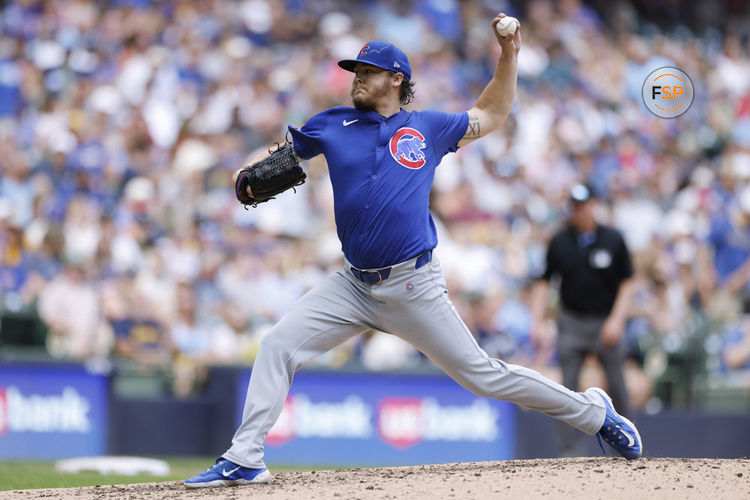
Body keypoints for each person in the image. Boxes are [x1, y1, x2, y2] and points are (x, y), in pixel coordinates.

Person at [185, 14, 642, 488]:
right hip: (353, 284)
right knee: (278, 344)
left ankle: (595, 413)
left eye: (367, 71)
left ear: (396, 78)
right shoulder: (333, 123)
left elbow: (494, 112)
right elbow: (278, 157)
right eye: (355, 71)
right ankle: (245, 456)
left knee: (483, 376)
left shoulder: (429, 128)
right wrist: (247, 173)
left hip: (412, 283)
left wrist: (509, 56)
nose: (357, 78)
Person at [530, 183, 636, 455]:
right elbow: (544, 282)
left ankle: (625, 445)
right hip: (572, 321)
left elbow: (627, 283)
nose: (577, 211)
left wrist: (617, 320)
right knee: (567, 387)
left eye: (582, 205)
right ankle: (569, 452)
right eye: (573, 206)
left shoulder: (613, 239)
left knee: (617, 386)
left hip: (604, 320)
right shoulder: (560, 240)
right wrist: (537, 321)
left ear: (593, 205)